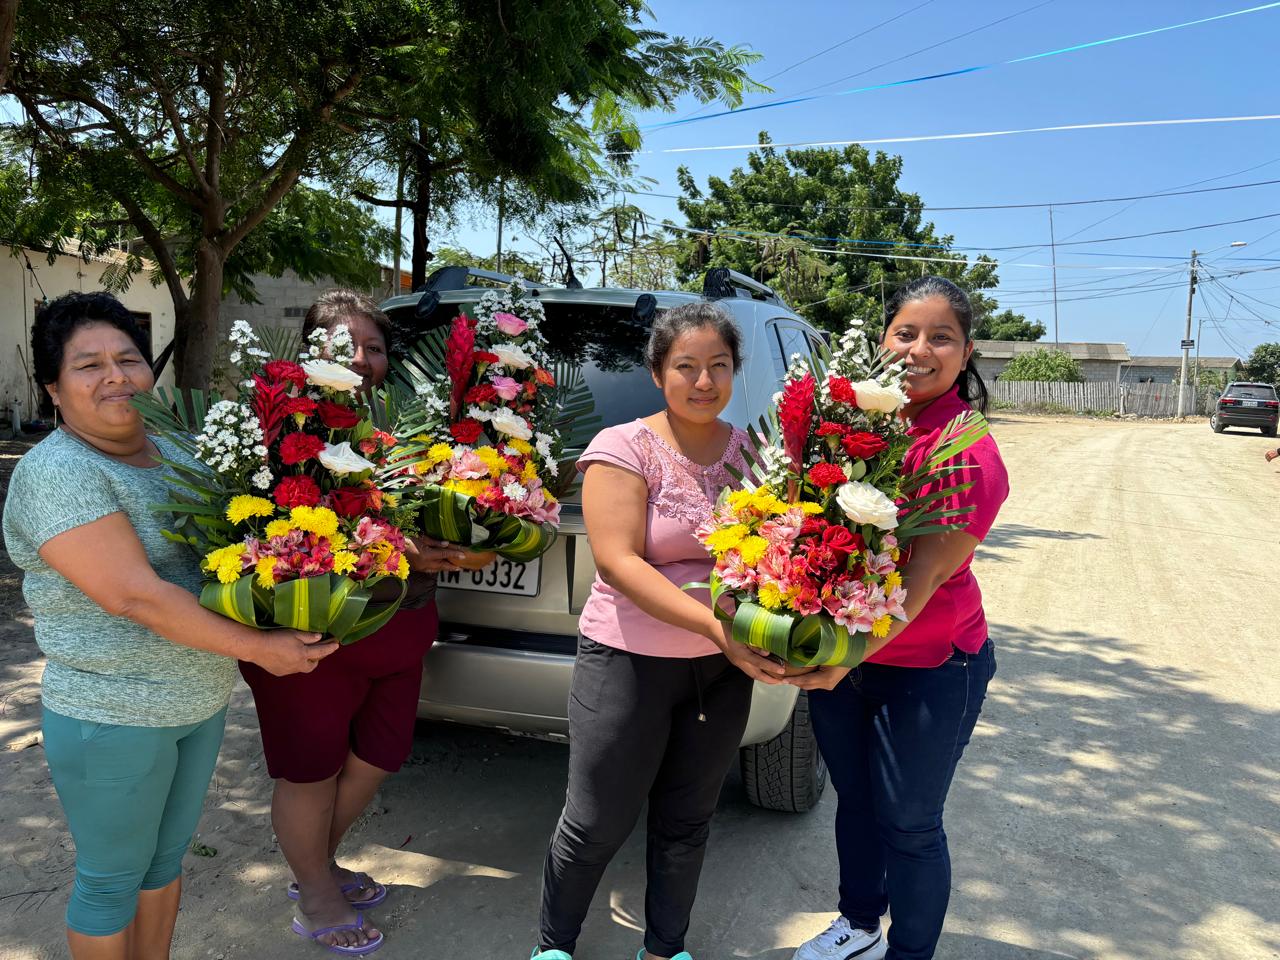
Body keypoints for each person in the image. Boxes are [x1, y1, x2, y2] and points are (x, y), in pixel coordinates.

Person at [1, 291, 334, 960]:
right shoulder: (58, 473)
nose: (115, 376)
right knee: (110, 882)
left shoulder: (179, 450)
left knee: (163, 864)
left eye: (128, 358)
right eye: (88, 365)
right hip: (112, 715)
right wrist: (259, 648)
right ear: (54, 391)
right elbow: (136, 596)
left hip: (196, 703)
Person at [236, 289, 496, 954]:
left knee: (379, 755)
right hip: (318, 633)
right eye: (343, 344)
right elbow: (282, 528)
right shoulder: (281, 430)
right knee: (310, 769)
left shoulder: (409, 427)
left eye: (373, 347)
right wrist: (397, 547)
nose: (359, 358)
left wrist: (466, 543)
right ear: (310, 353)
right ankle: (315, 891)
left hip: (402, 627)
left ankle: (313, 866)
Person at [533, 302, 789, 960]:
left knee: (687, 819)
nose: (704, 381)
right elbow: (618, 563)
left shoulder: (754, 453)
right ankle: (554, 946)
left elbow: (773, 553)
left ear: (734, 372)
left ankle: (665, 948)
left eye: (719, 365)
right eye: (686, 366)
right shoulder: (622, 447)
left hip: (721, 671)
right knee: (596, 822)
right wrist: (716, 627)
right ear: (657, 373)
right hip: (627, 661)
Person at [788, 276, 1009, 960]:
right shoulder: (853, 424)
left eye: (941, 337)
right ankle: (858, 924)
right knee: (855, 803)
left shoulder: (966, 450)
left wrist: (840, 660)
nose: (920, 349)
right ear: (883, 341)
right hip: (848, 657)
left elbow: (925, 576)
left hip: (930, 667)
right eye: (905, 333)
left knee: (909, 824)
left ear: (965, 353)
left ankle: (909, 953)